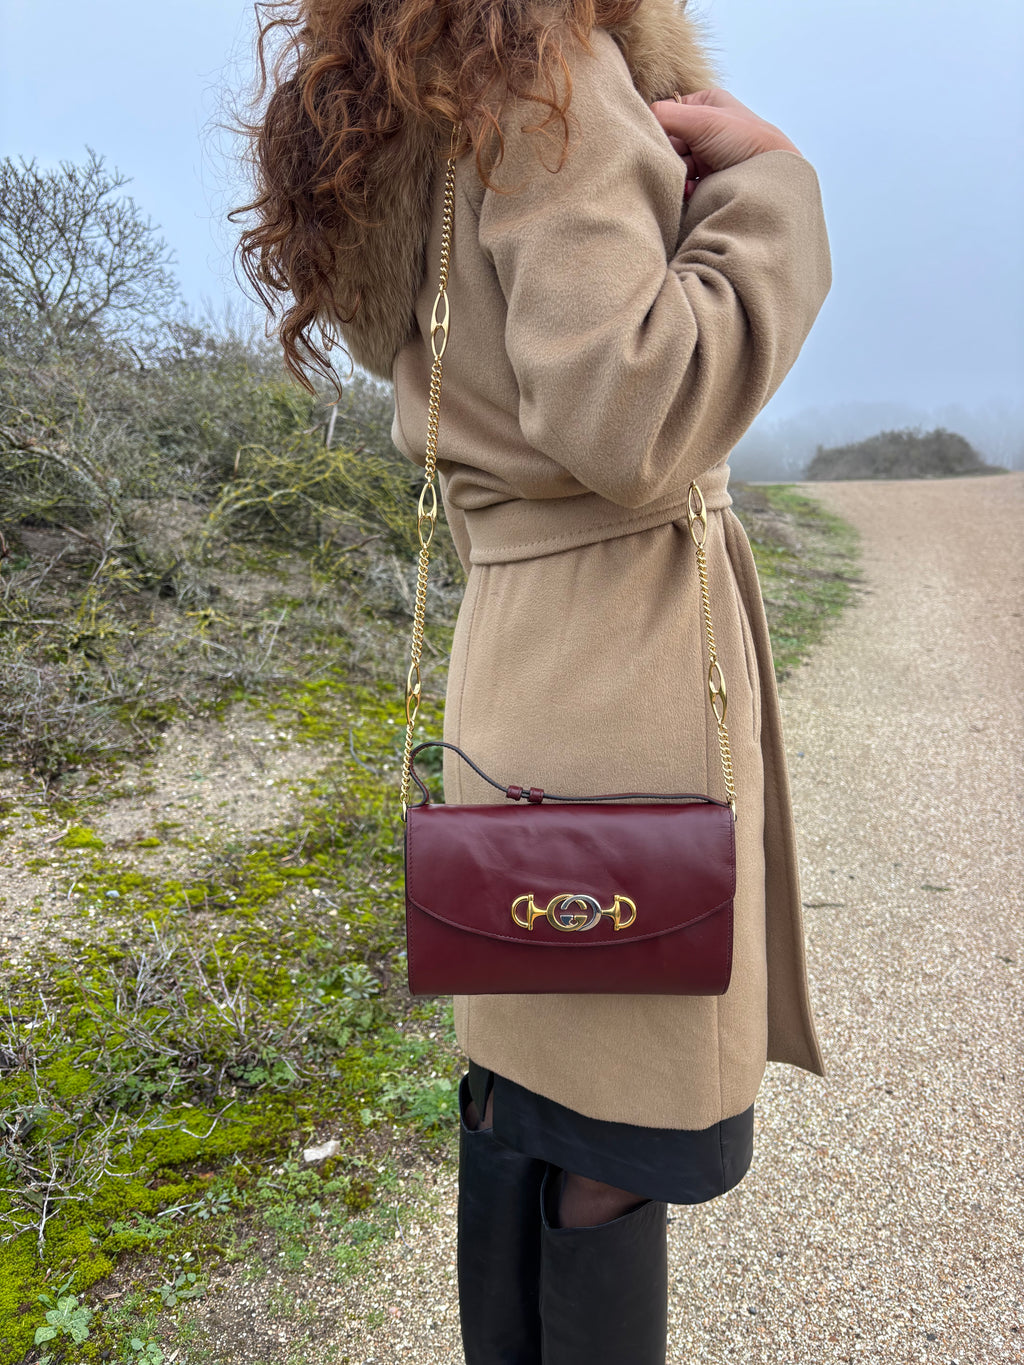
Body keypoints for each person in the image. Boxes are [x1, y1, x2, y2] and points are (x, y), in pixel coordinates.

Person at [235, 0, 830, 1359]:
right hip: (619, 659)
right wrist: (774, 197)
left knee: (531, 1095)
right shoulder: (553, 76)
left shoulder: (433, 94)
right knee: (616, 1132)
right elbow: (638, 410)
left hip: (515, 655)